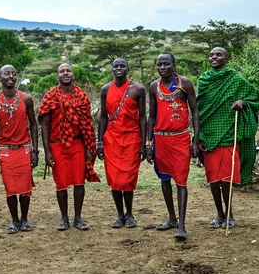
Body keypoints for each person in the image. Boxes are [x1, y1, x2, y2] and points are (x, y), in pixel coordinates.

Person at [196, 47, 259, 229]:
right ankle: (219, 214)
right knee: (213, 179)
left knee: (226, 179)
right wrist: (199, 136)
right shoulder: (203, 80)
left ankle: (230, 214)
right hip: (208, 136)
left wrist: (243, 102)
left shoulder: (235, 79)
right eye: (211, 55)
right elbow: (199, 110)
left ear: (226, 59)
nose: (214, 57)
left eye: (218, 55)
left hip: (228, 135)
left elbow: (256, 97)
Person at [38, 63, 100, 231]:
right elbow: (45, 125)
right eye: (62, 71)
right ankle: (64, 218)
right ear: (57, 76)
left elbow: (87, 124)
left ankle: (78, 217)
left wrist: (89, 148)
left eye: (68, 71)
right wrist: (47, 151)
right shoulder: (50, 96)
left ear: (73, 75)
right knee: (61, 183)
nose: (65, 73)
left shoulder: (82, 96)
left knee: (79, 182)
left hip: (78, 143)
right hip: (57, 145)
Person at [146, 53, 199, 240]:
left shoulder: (184, 84)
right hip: (161, 139)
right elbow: (151, 117)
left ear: (173, 65)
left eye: (166, 63)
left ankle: (182, 226)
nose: (162, 67)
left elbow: (194, 111)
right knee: (164, 178)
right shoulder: (154, 87)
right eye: (159, 64)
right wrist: (149, 143)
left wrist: (195, 139)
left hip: (180, 138)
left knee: (181, 181)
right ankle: (171, 218)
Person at [0, 65, 39, 234]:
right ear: (0, 77)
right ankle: (14, 221)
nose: (10, 76)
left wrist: (35, 150)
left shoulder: (26, 99)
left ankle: (24, 219)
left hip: (23, 148)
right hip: (5, 150)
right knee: (10, 188)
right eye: (6, 74)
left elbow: (33, 124)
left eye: (13, 74)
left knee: (24, 188)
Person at [97, 58, 146, 228]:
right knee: (115, 180)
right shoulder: (105, 90)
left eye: (122, 66)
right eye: (116, 66)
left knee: (128, 179)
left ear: (127, 68)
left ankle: (130, 213)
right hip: (112, 139)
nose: (119, 69)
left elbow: (142, 117)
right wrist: (99, 142)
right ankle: (119, 215)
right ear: (112, 69)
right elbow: (103, 117)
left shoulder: (138, 89)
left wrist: (144, 143)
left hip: (132, 139)